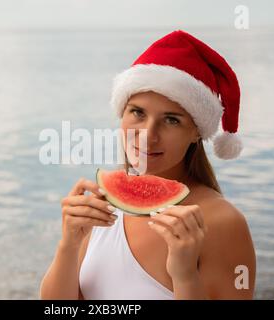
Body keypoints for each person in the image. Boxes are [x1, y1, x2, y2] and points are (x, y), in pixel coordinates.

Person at [40, 30, 256, 300]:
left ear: (196, 133)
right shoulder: (102, 202)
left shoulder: (224, 223)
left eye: (171, 120)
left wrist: (184, 275)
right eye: (138, 112)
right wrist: (68, 245)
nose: (147, 135)